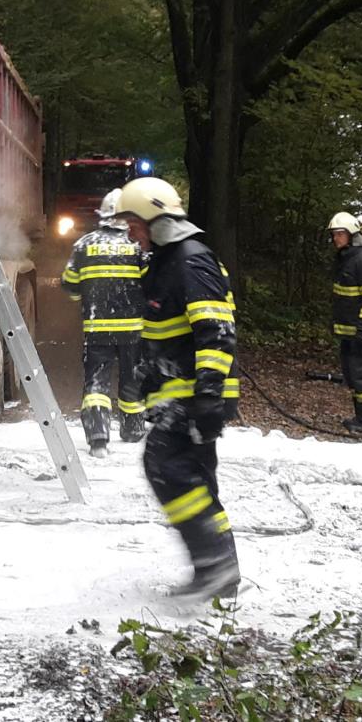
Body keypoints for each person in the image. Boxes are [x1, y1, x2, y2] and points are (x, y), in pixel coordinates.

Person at [114, 176, 241, 599]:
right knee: (195, 475)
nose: (131, 235)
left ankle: (216, 566)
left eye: (134, 225)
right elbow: (169, 331)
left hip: (195, 394)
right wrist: (149, 379)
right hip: (181, 391)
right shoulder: (167, 262)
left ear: (156, 222)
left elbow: (216, 332)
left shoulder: (190, 261)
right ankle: (218, 571)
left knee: (166, 466)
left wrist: (207, 396)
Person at [62, 188, 147, 457]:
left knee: (96, 382)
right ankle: (133, 430)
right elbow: (152, 283)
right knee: (132, 378)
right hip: (133, 329)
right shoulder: (138, 246)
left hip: (97, 328)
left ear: (103, 214)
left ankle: (98, 438)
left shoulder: (84, 244)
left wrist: (84, 298)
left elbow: (70, 284)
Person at [327, 212, 362, 434]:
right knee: (353, 375)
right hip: (350, 332)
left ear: (352, 235)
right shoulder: (346, 258)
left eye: (340, 234)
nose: (336, 238)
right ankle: (361, 417)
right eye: (334, 234)